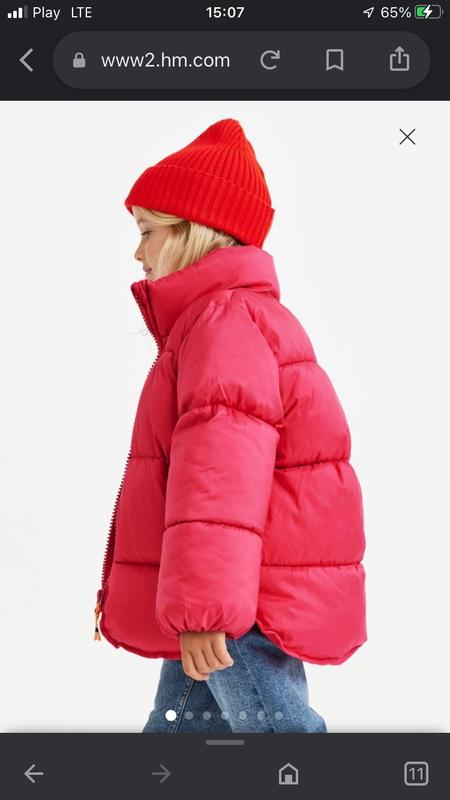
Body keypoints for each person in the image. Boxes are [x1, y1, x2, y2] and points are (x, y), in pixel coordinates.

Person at [94, 118, 367, 733]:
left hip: (235, 598)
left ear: (192, 232)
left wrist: (205, 609)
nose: (138, 252)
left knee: (283, 738)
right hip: (226, 583)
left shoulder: (224, 323)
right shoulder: (232, 317)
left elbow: (219, 476)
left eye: (147, 232)